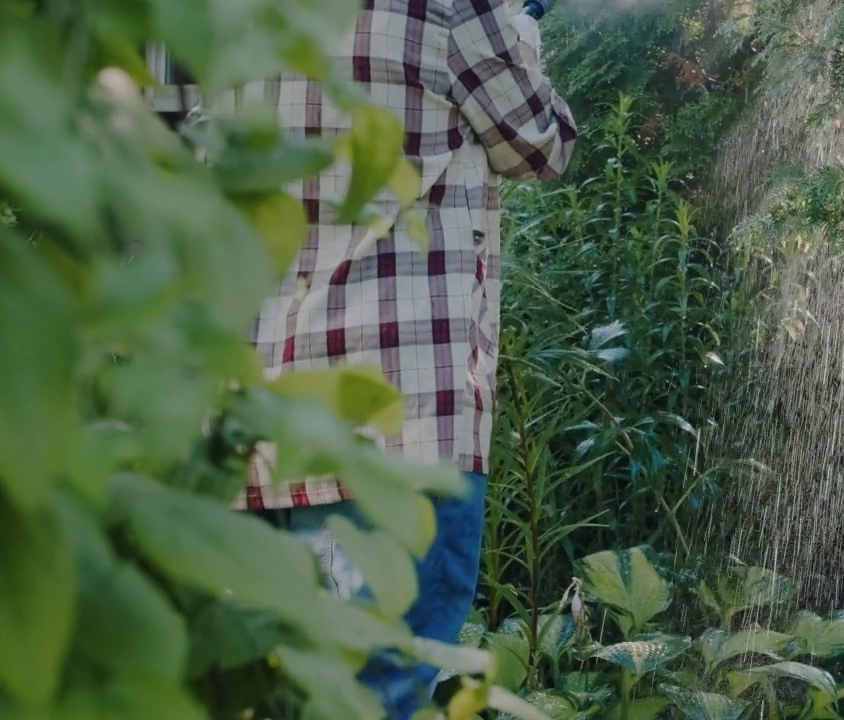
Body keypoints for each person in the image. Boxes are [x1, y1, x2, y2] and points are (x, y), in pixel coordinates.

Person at [237, 1, 576, 716]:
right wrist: (521, 19)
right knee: (383, 691)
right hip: (403, 424)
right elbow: (540, 143)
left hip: (253, 420)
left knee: (267, 691)